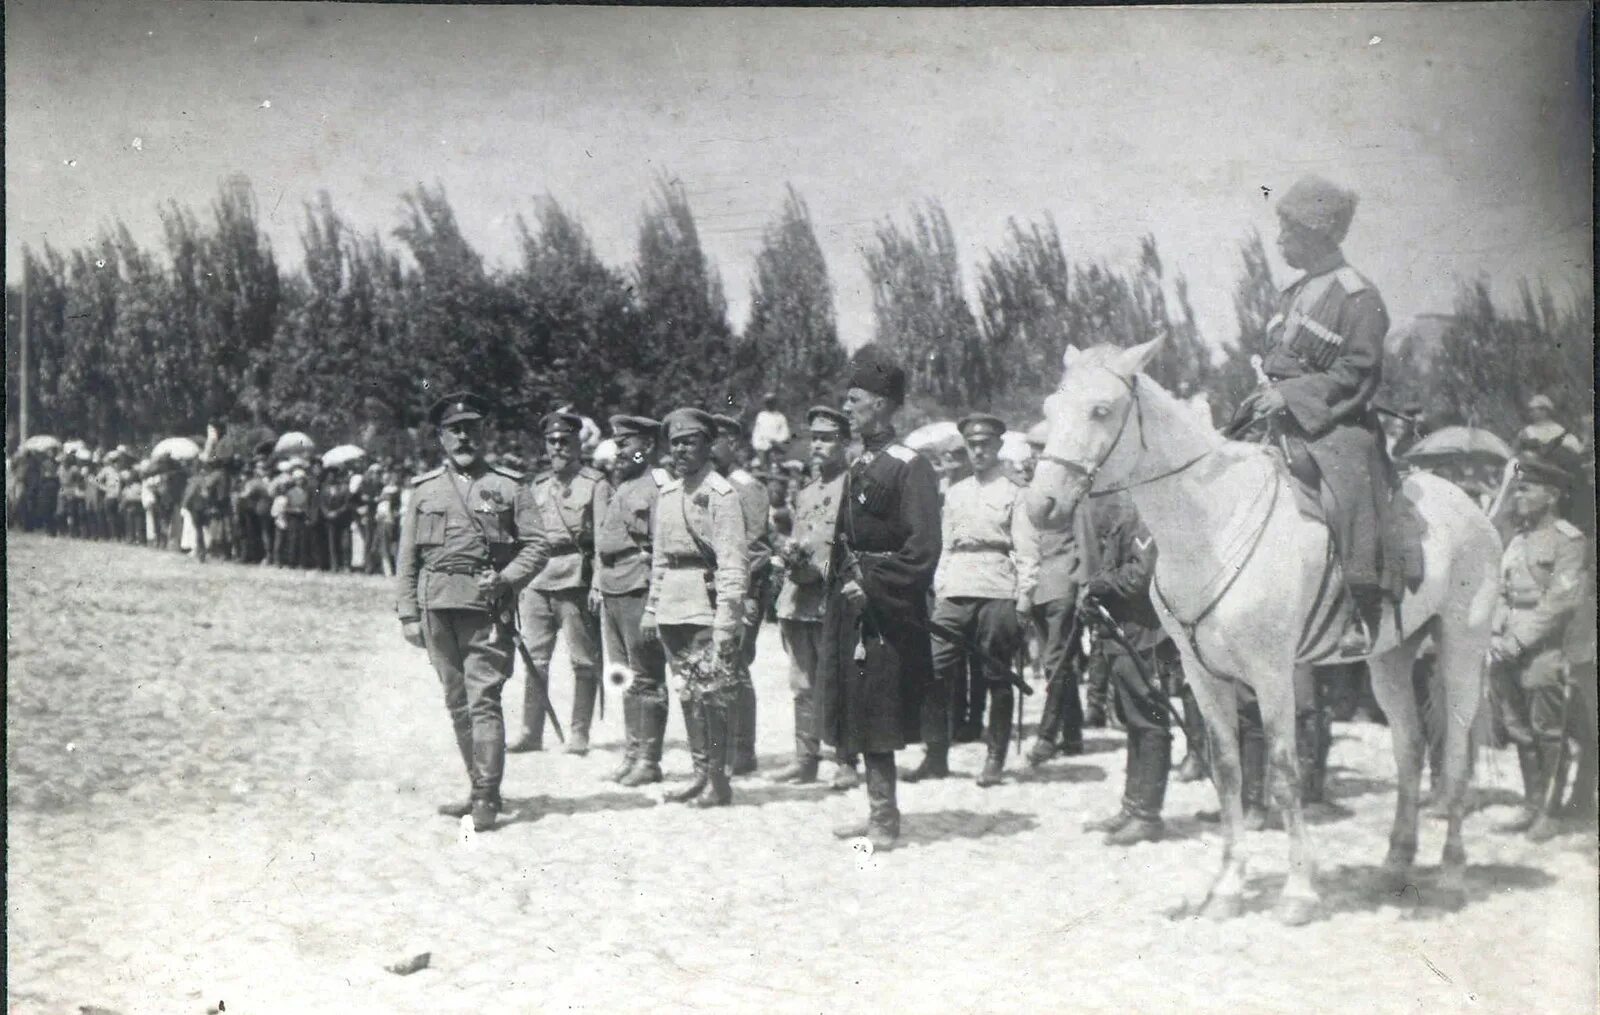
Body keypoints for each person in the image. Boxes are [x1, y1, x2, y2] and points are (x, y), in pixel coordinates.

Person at [1233, 174, 1393, 656]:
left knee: (1343, 492)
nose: (1279, 240)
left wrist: (1292, 396)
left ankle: (1358, 610)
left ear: (1316, 235)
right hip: (1279, 419)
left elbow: (1359, 370)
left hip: (1334, 425)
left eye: (1288, 231)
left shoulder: (1357, 295)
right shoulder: (1292, 294)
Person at [397, 392, 550, 832]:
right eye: (454, 430)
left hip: (486, 607)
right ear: (441, 439)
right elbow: (408, 555)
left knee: (483, 700)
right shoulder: (424, 490)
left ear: (484, 434)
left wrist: (507, 579)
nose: (463, 437)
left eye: (471, 429)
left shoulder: (507, 486)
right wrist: (408, 612)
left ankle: (486, 795)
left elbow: (538, 545)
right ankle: (479, 787)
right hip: (435, 606)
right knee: (456, 702)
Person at [818, 348, 941, 851]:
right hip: (851, 602)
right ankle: (873, 809)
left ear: (884, 405)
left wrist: (873, 585)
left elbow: (923, 549)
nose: (847, 409)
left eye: (856, 400)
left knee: (880, 711)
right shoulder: (859, 464)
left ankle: (885, 819)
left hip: (886, 610)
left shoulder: (910, 467)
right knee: (854, 704)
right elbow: (846, 538)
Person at [906, 413, 1038, 788]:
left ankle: (994, 758)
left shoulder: (1015, 493)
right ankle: (935, 755)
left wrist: (1025, 600)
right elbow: (946, 546)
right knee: (933, 668)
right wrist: (942, 587)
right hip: (957, 587)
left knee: (997, 674)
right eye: (972, 445)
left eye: (985, 444)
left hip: (998, 587)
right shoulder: (958, 492)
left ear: (998, 447)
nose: (978, 451)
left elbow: (1027, 552)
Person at [640, 408, 749, 807]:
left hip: (706, 605)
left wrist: (727, 622)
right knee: (687, 692)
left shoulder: (722, 495)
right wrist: (652, 608)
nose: (682, 450)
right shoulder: (667, 494)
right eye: (676, 443)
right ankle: (699, 772)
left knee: (713, 695)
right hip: (672, 604)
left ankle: (718, 780)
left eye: (690, 442)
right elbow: (659, 559)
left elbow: (733, 561)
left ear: (707, 445)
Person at [1489, 453, 1586, 841]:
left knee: (1548, 730)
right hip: (1506, 645)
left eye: (1526, 489)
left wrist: (1517, 639)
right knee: (1518, 728)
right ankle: (1530, 804)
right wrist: (1496, 633)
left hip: (1544, 647)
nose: (1517, 497)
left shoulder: (1569, 540)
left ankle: (1550, 809)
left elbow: (1561, 602)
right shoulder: (1516, 540)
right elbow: (1499, 589)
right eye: (1517, 489)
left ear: (1551, 494)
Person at [509, 412, 608, 756]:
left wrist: (597, 583)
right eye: (552, 441)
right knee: (535, 658)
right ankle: (530, 731)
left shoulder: (595, 484)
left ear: (578, 443)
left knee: (583, 660)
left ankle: (579, 732)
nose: (558, 447)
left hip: (575, 577)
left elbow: (604, 542)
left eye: (564, 440)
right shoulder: (537, 486)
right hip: (537, 579)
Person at [1080, 491, 1175, 845]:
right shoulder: (1126, 511)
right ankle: (1133, 807)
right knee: (1134, 722)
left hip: (1143, 634)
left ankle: (1148, 815)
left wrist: (1096, 585)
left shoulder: (1144, 511)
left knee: (1149, 722)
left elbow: (1139, 576)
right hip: (1121, 633)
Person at [771, 406, 859, 788]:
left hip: (833, 597)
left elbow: (858, 546)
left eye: (827, 439)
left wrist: (826, 571)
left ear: (844, 443)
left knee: (839, 680)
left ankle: (845, 759)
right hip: (799, 599)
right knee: (802, 681)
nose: (818, 446)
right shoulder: (806, 492)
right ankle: (805, 757)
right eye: (815, 439)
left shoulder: (855, 486)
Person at [594, 414, 671, 786]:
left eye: (627, 444)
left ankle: (650, 759)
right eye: (618, 443)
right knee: (622, 676)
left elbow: (661, 549)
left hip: (638, 586)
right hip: (612, 584)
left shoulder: (658, 486)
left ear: (648, 446)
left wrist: (655, 602)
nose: (619, 450)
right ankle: (632, 751)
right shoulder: (622, 485)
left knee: (647, 676)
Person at [711, 413, 773, 776]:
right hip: (718, 589)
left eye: (716, 440)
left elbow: (756, 548)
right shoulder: (713, 484)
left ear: (732, 443)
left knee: (735, 666)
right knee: (719, 666)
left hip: (743, 590)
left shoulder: (745, 486)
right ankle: (723, 747)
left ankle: (742, 751)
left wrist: (744, 593)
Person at [751, 393, 792, 470]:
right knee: (762, 467)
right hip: (762, 446)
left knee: (776, 467)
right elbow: (756, 432)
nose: (769, 405)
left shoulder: (780, 417)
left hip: (776, 446)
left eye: (771, 402)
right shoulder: (761, 416)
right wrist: (758, 445)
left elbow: (785, 433)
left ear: (775, 403)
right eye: (767, 403)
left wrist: (776, 441)